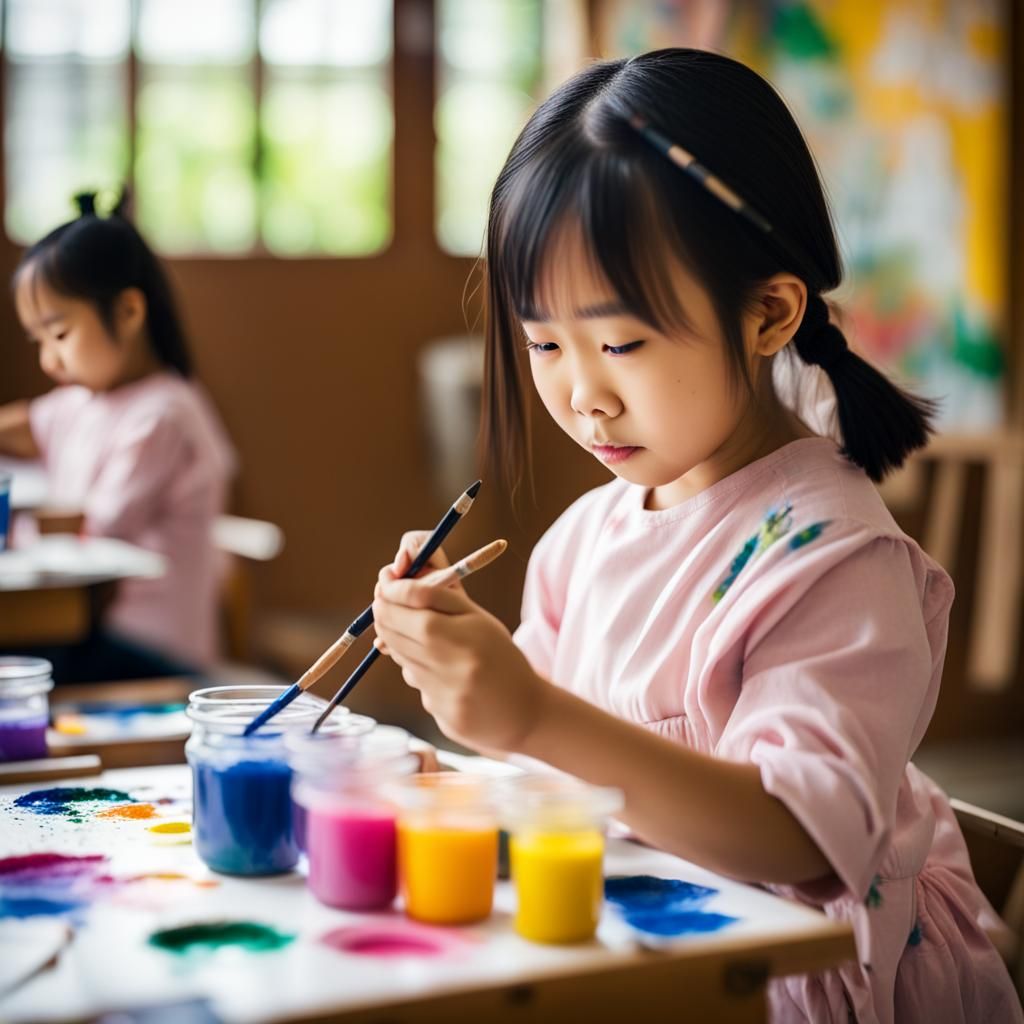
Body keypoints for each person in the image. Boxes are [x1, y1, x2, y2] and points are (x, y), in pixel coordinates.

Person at [370, 50, 1021, 1023]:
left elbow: (802, 841)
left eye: (620, 342)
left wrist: (528, 712)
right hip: (637, 951)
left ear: (768, 313)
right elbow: (546, 783)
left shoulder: (836, 559)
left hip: (784, 983)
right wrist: (468, 717)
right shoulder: (581, 541)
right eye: (544, 343)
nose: (583, 394)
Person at [0, 193, 235, 682]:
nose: (48, 360)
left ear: (127, 311)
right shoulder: (84, 400)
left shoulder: (163, 415)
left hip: (151, 648)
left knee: (21, 660)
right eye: (37, 341)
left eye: (59, 335)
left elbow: (93, 535)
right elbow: (21, 426)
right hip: (92, 631)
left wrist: (19, 529)